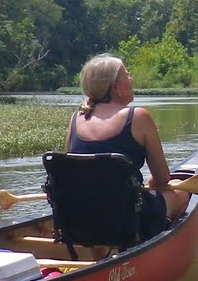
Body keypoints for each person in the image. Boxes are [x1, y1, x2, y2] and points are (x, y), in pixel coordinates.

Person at [66, 54, 186, 236]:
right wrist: (150, 183)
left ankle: (98, 253)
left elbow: (77, 174)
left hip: (83, 216)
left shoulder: (75, 119)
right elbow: (162, 179)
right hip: (129, 217)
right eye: (127, 75)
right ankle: (153, 235)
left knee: (98, 206)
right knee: (180, 190)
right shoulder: (138, 117)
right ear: (115, 87)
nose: (131, 79)